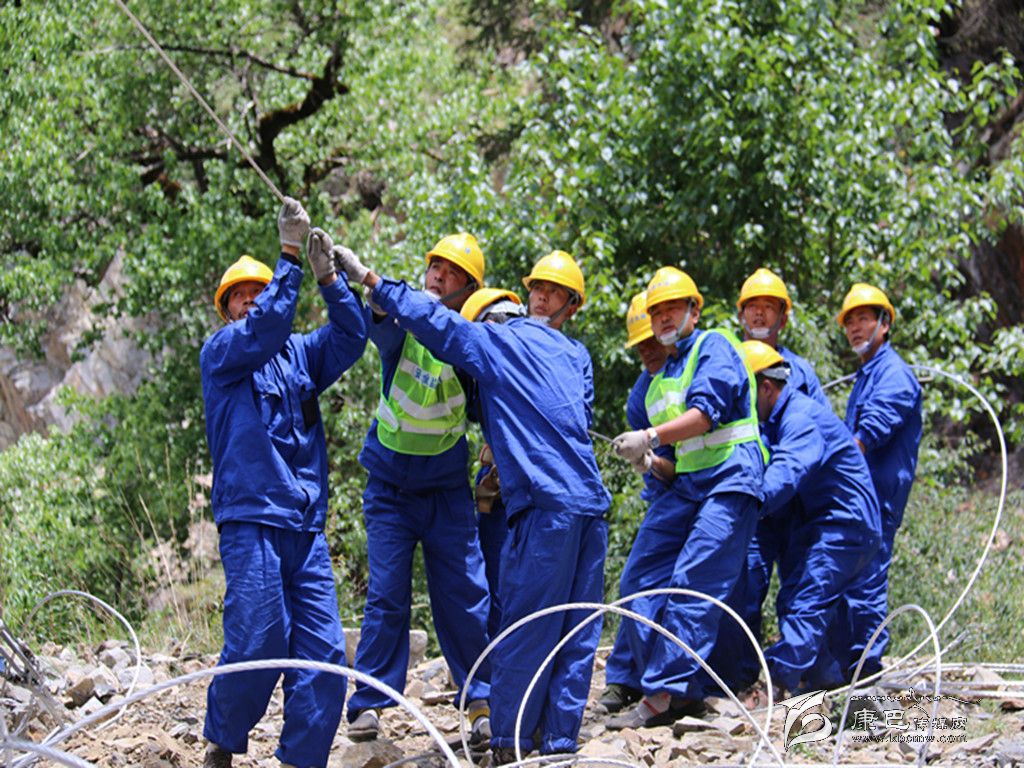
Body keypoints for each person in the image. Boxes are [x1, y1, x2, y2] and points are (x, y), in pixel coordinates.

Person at [332, 242, 610, 764]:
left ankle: (509, 743)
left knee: (526, 626)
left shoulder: (495, 344)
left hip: (542, 507)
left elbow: (435, 323)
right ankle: (557, 745)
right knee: (576, 631)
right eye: (538, 289)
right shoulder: (573, 354)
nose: (542, 298)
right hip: (590, 506)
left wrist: (370, 278)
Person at [200, 200, 367, 768]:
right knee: (258, 639)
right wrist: (289, 255)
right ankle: (223, 741)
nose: (251, 300)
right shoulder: (222, 354)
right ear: (227, 309)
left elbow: (351, 336)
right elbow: (266, 327)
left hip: (305, 528)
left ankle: (301, 760)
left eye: (259, 290)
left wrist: (330, 279)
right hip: (252, 521)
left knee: (324, 657)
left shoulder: (300, 354)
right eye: (241, 295)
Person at [346, 233, 492, 745]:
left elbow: (490, 404)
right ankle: (368, 703)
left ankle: (480, 701)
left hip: (446, 492)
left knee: (465, 596)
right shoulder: (403, 328)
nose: (438, 277)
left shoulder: (470, 343)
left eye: (451, 274)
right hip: (390, 490)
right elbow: (380, 322)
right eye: (435, 268)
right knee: (387, 596)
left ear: (468, 290)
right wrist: (369, 289)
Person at [609, 267, 767, 729]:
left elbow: (704, 416)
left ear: (694, 311)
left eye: (672, 308)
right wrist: (649, 462)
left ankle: (665, 693)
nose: (662, 318)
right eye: (656, 311)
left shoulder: (713, 346)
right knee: (638, 580)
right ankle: (673, 687)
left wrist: (650, 437)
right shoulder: (654, 383)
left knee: (694, 581)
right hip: (688, 485)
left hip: (731, 477)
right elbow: (672, 464)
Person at [715, 267, 832, 697]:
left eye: (769, 308)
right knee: (744, 587)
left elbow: (819, 429)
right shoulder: (727, 363)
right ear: (741, 315)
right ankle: (739, 680)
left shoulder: (800, 372)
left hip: (796, 504)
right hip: (752, 502)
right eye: (753, 307)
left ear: (783, 317)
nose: (760, 315)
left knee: (802, 588)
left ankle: (799, 680)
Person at [740, 340, 880, 695]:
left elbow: (787, 470)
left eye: (744, 394)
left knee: (806, 602)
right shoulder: (781, 418)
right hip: (827, 523)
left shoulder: (799, 418)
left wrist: (748, 503)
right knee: (794, 598)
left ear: (767, 388)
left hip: (845, 525)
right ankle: (825, 680)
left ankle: (774, 684)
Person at [473, 251, 592, 640]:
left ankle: (516, 664)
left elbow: (579, 419)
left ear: (571, 305)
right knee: (498, 585)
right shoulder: (507, 343)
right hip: (505, 482)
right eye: (537, 288)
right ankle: (494, 663)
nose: (541, 297)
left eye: (553, 291)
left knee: (533, 598)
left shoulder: (574, 357)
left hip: (543, 489)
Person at [825, 283, 922, 682]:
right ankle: (842, 673)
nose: (855, 328)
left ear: (885, 324)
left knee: (865, 583)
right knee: (846, 581)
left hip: (877, 499)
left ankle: (866, 672)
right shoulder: (868, 374)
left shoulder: (894, 375)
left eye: (864, 319)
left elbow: (866, 436)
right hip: (860, 497)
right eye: (850, 322)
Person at [599, 291, 676, 714]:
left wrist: (653, 451)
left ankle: (684, 684)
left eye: (651, 341)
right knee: (637, 584)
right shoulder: (640, 397)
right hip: (668, 498)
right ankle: (630, 678)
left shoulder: (695, 373)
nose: (646, 350)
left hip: (711, 491)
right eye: (639, 345)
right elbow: (665, 472)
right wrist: (648, 463)